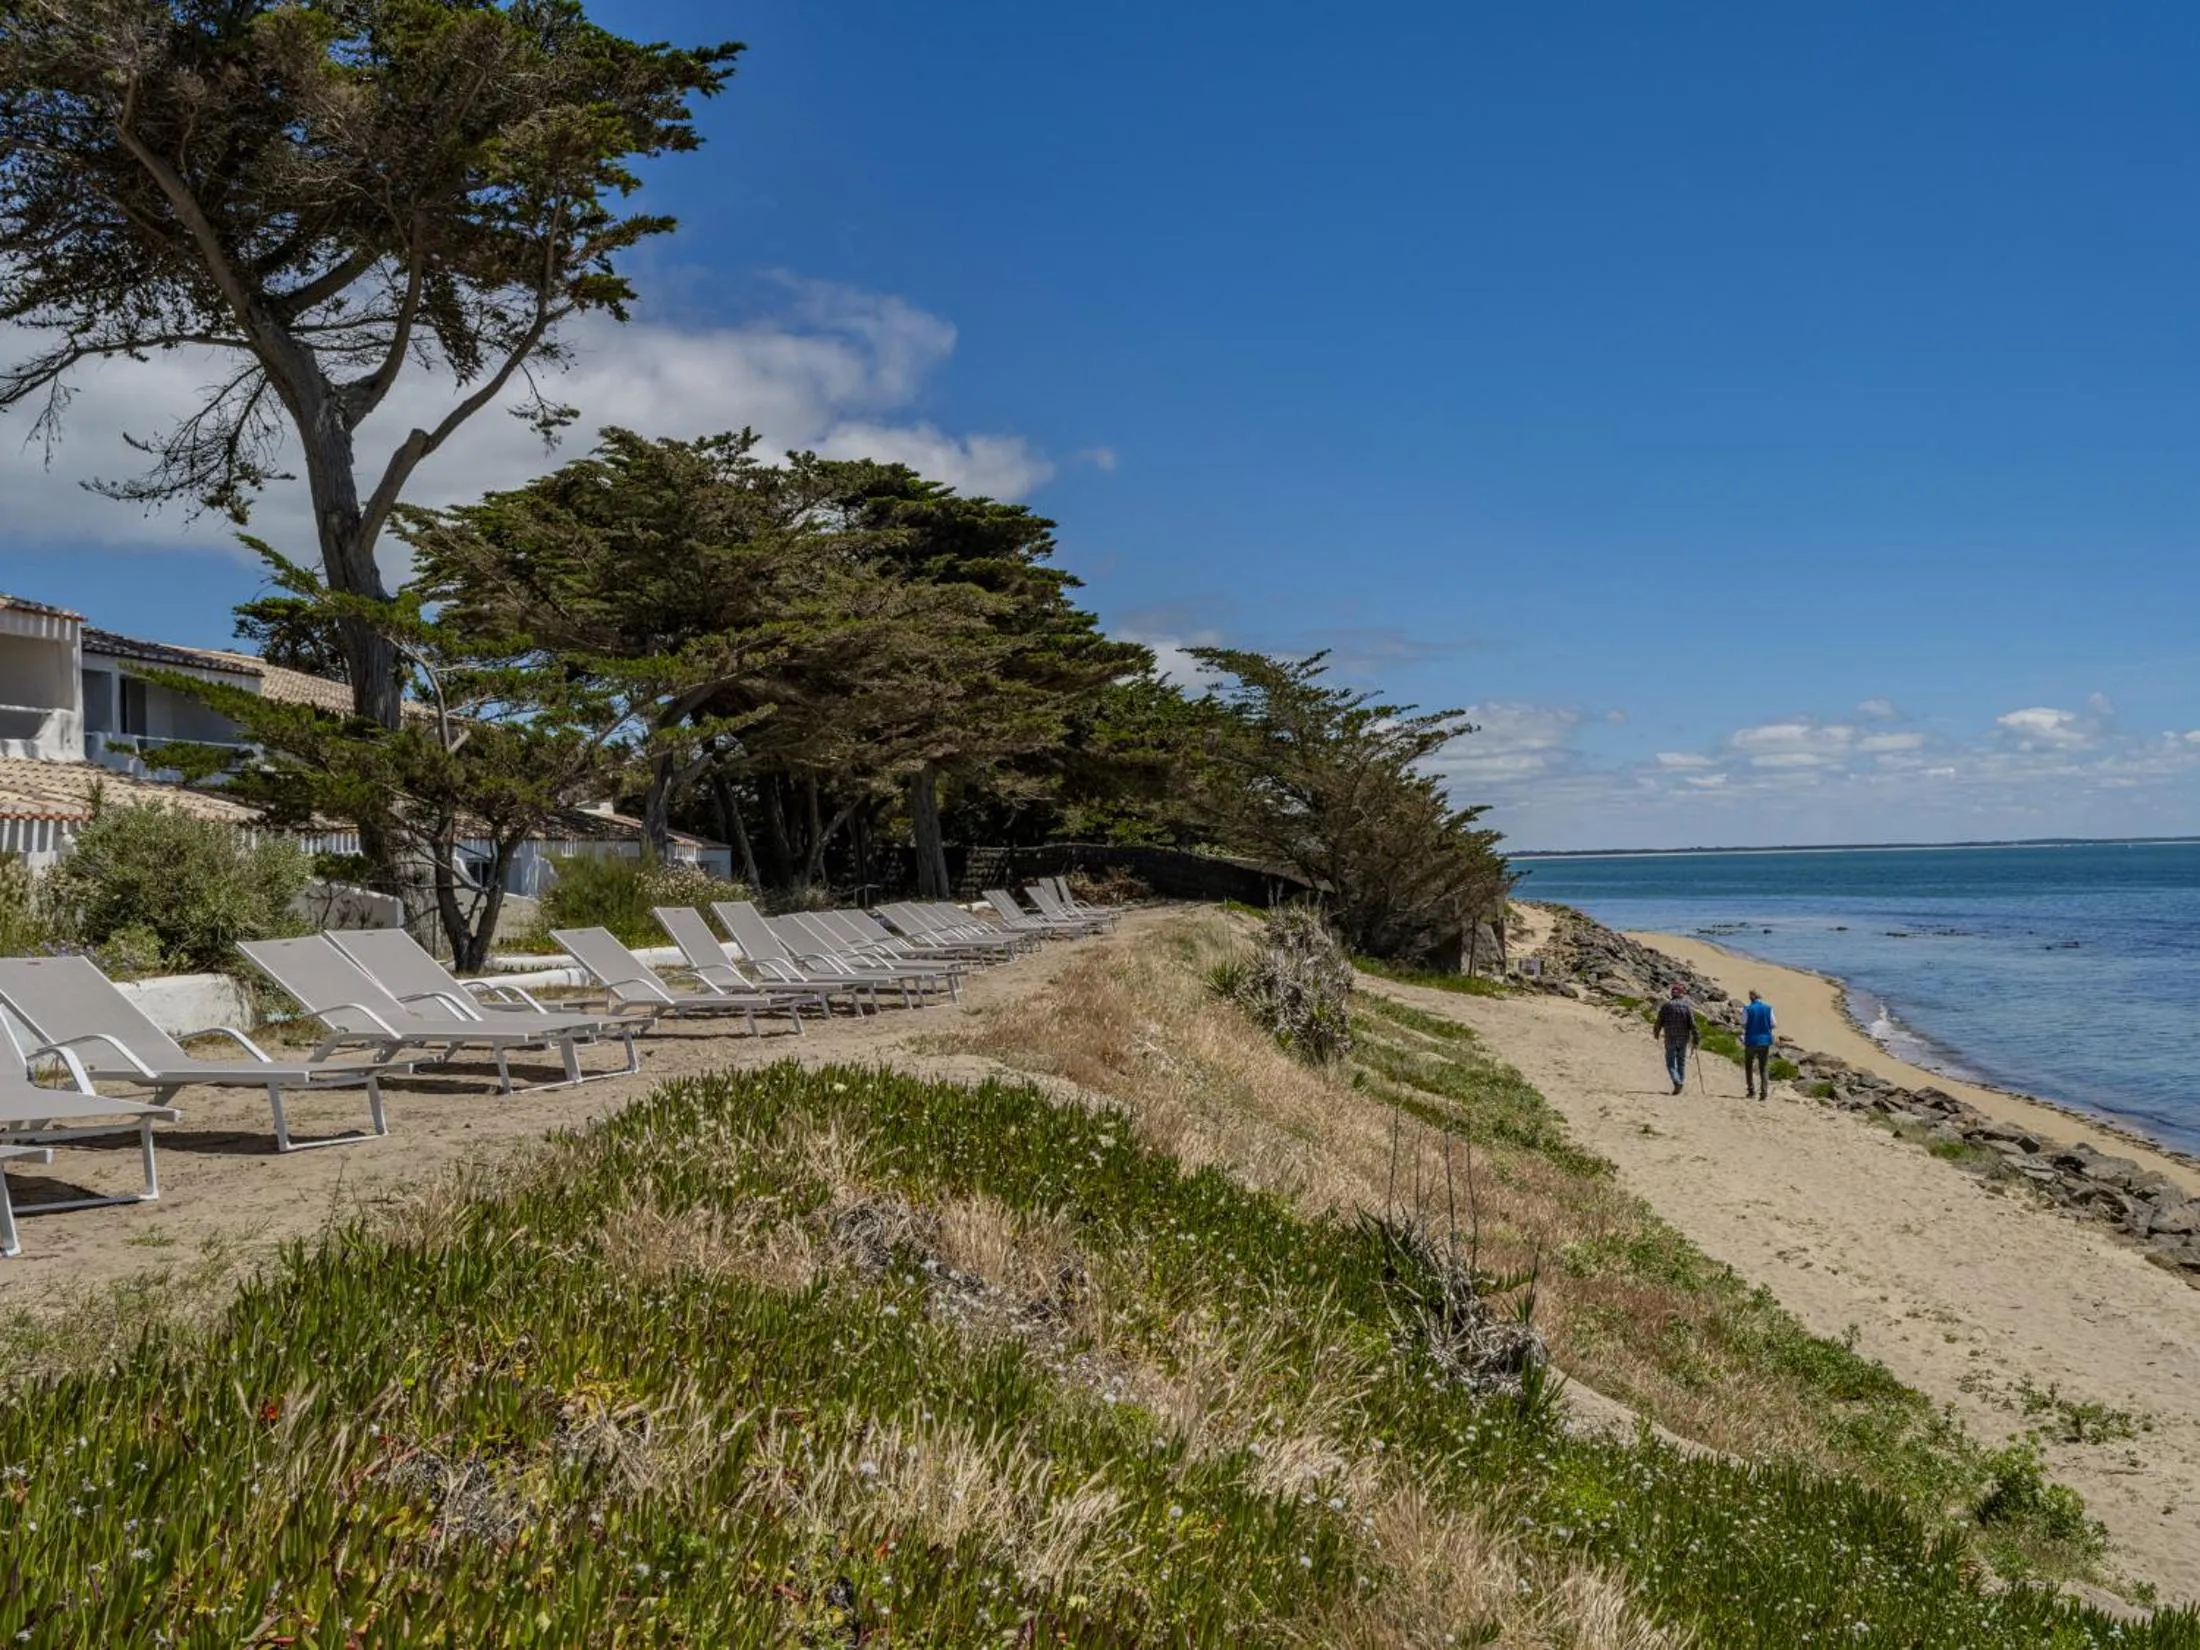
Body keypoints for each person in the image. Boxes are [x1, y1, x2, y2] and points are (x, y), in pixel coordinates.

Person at [1652, 983, 1700, 1095]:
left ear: (1672, 994)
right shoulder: (1687, 1007)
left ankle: (1677, 1081)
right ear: (1681, 994)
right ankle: (1680, 1082)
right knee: (1681, 1062)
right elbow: (1692, 1024)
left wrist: (1656, 1032)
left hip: (1670, 1038)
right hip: (1683, 1039)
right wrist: (1696, 1037)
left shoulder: (1666, 1006)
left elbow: (1659, 1021)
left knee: (1670, 1064)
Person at [1742, 988, 1777, 1100]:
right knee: (1763, 1067)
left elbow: (1743, 1022)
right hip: (1765, 1040)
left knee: (1749, 1065)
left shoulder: (1748, 1009)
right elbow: (1773, 1024)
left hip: (1751, 1040)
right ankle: (1764, 1092)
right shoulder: (1768, 1008)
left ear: (1751, 996)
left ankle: (1751, 1091)